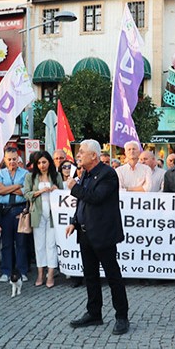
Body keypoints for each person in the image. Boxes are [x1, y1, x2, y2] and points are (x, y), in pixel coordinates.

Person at [65, 139, 130, 335]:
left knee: (113, 276)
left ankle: (122, 316)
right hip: (85, 233)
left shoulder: (108, 174)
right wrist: (74, 221)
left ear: (94, 155)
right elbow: (82, 204)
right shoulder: (85, 173)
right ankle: (94, 313)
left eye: (82, 152)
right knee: (90, 276)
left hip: (103, 234)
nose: (78, 155)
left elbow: (96, 198)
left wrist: (73, 187)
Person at [23, 151, 63, 288]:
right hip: (37, 213)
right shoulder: (30, 176)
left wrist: (56, 189)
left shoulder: (56, 175)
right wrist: (39, 192)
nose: (42, 165)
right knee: (39, 245)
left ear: (49, 162)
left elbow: (62, 194)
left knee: (51, 244)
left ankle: (51, 273)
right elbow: (26, 194)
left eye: (44, 162)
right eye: (39, 163)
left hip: (52, 213)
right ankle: (40, 273)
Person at [0, 148, 30, 282]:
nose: (12, 162)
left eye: (14, 159)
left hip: (20, 210)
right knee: (6, 243)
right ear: (5, 159)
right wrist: (17, 186)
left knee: (21, 243)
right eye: (9, 159)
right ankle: (6, 271)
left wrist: (6, 189)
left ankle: (22, 271)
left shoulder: (25, 173)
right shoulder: (0, 173)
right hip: (5, 211)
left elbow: (25, 192)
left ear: (18, 159)